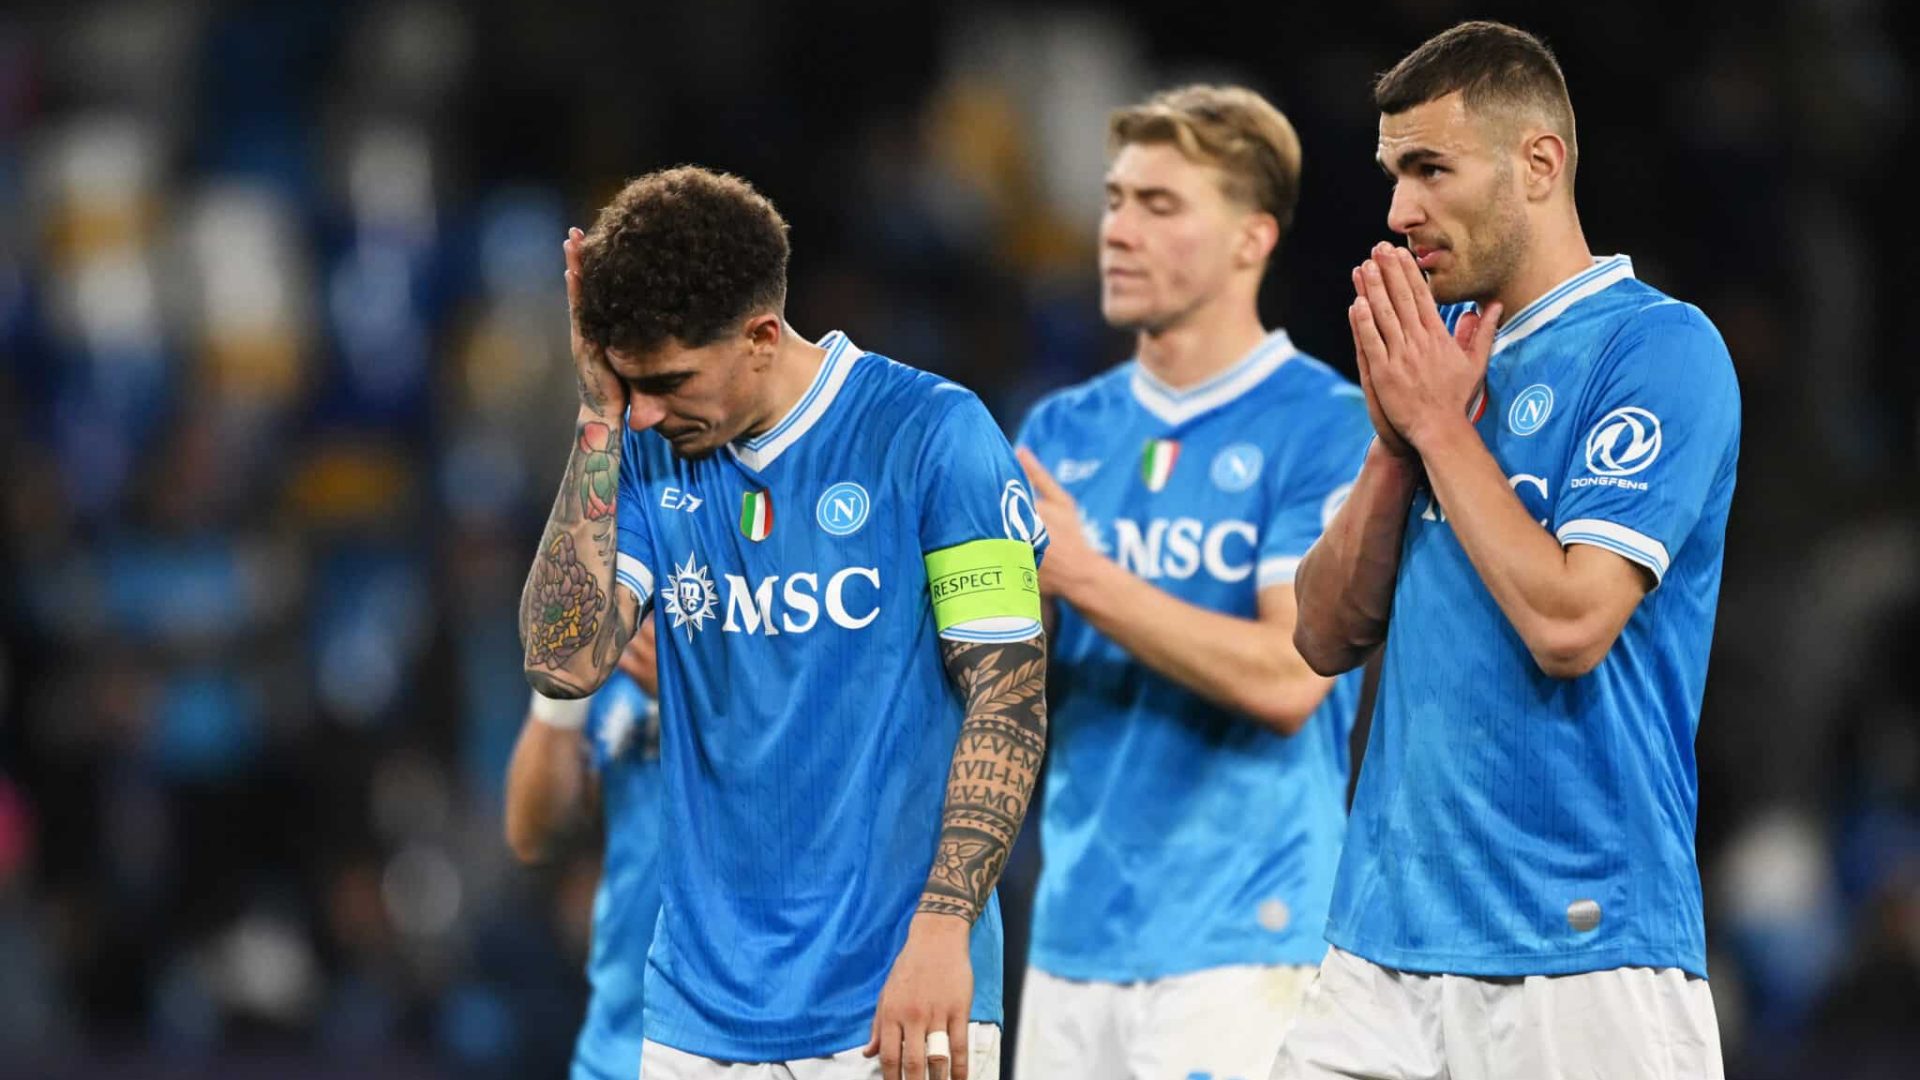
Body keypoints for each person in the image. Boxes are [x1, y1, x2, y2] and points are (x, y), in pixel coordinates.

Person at [1276, 21, 1740, 1080]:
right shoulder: (1437, 362)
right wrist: (1396, 452)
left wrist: (1442, 429)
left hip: (1579, 951)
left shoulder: (1658, 348)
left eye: (1432, 169)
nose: (1400, 212)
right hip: (1379, 950)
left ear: (1540, 163)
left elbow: (1571, 622)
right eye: (1395, 175)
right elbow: (1321, 630)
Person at [517, 165, 1050, 1080]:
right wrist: (598, 422)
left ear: (762, 335)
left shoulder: (933, 434)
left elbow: (1009, 698)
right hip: (695, 1015)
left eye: (669, 380)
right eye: (627, 383)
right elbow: (561, 661)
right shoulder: (645, 452)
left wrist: (943, 930)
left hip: (893, 1000)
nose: (647, 407)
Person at [1012, 85, 1373, 1080]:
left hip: (1246, 944)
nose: (1117, 231)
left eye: (1160, 206)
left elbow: (1289, 678)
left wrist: (1082, 575)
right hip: (1072, 938)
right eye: (1115, 199)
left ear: (1251, 239)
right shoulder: (1058, 435)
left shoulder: (1324, 427)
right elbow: (991, 682)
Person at [507, 622, 664, 1080]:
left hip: (759, 1033)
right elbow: (532, 834)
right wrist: (559, 690)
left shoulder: (799, 617)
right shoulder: (628, 634)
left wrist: (693, 702)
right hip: (623, 1041)